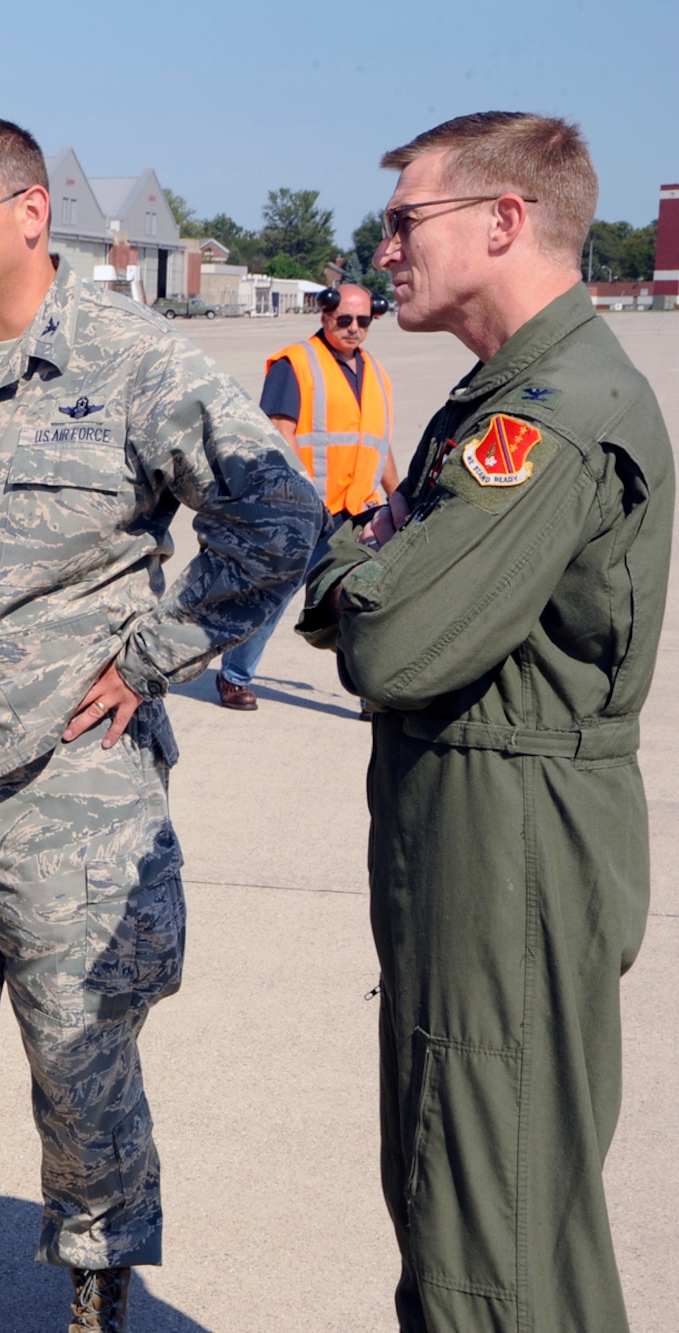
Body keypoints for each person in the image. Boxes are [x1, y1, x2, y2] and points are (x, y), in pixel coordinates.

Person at [0, 117, 322, 1333]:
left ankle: (95, 1283)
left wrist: (156, 656)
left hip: (67, 782)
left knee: (81, 1052)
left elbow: (275, 517)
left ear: (27, 214)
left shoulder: (134, 363)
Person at [298, 111, 670, 1333]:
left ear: (502, 222)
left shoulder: (546, 417)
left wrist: (363, 569)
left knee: (485, 1217)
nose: (382, 248)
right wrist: (368, 566)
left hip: (507, 834)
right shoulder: (496, 395)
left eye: (406, 220)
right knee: (476, 1193)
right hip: (467, 820)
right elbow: (360, 577)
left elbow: (389, 639)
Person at [216, 282, 400, 710]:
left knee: (359, 602)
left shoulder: (376, 372)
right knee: (273, 593)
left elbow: (378, 444)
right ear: (325, 315)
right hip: (307, 508)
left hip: (359, 511)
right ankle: (234, 675)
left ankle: (367, 692)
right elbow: (280, 433)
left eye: (364, 321)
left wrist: (398, 495)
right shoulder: (295, 363)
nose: (354, 329)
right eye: (345, 320)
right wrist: (299, 496)